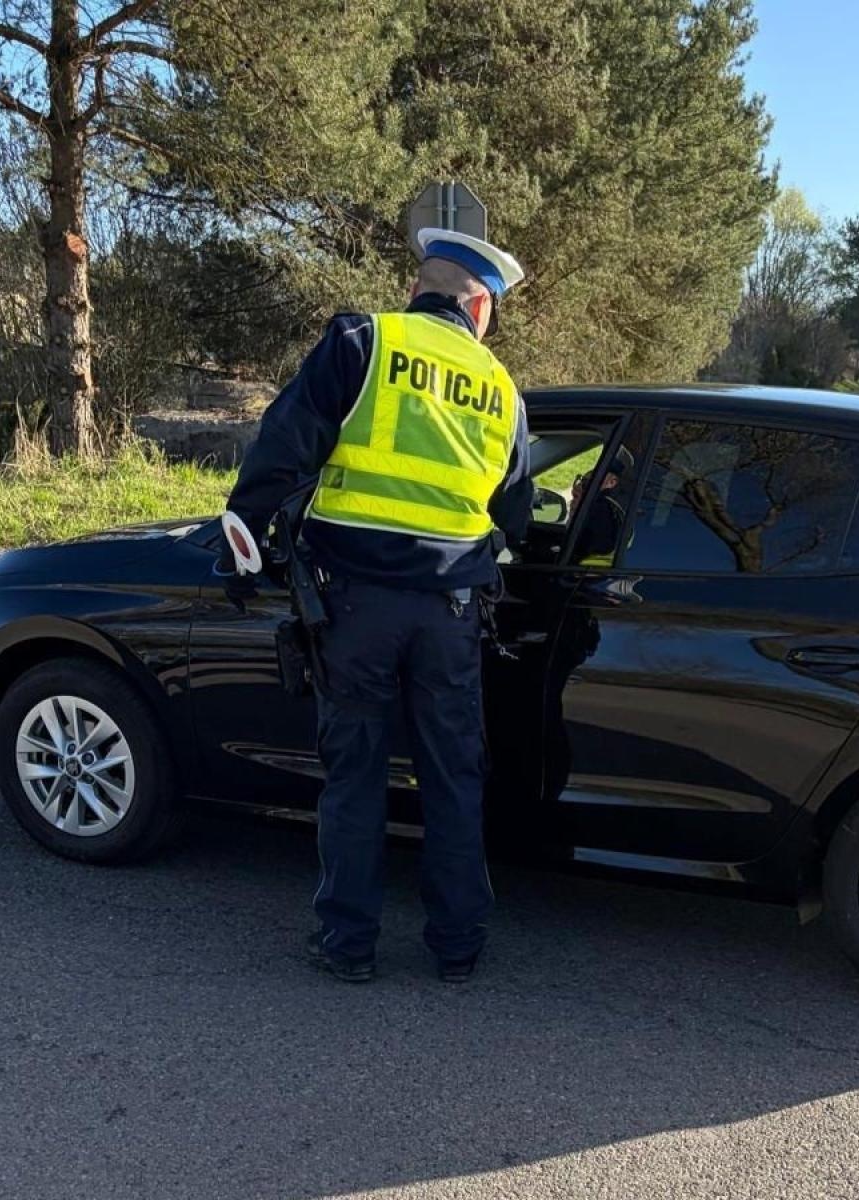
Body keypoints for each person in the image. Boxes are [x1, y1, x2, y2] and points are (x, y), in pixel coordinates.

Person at [221, 227, 533, 985]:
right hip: (452, 611)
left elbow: (284, 443)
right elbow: (517, 513)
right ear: (480, 304)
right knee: (453, 776)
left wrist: (242, 531)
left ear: (420, 287)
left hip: (355, 607)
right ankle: (458, 948)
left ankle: (348, 944)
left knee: (356, 774)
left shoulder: (365, 340)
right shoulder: (499, 387)